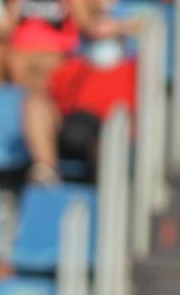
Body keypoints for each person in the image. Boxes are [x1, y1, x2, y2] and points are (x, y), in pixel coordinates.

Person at [22, 17, 136, 184]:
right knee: (35, 103)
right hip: (72, 123)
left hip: (108, 129)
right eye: (95, 39)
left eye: (107, 39)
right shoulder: (75, 67)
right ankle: (46, 172)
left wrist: (122, 26)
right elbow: (49, 92)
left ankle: (106, 190)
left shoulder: (135, 70)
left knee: (106, 141)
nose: (100, 44)